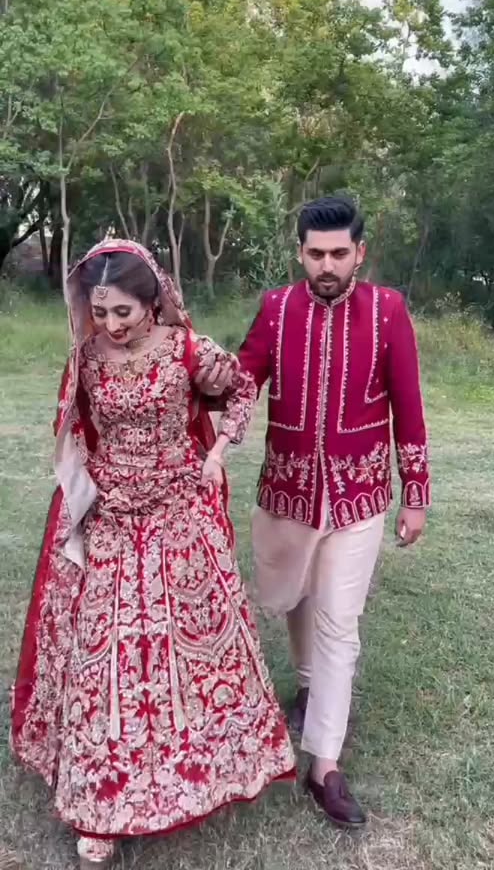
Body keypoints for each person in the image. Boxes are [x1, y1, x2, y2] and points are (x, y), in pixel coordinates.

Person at [11, 240, 295, 869]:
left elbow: (241, 389)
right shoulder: (86, 359)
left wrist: (217, 452)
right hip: (111, 520)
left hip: (179, 515)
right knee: (102, 655)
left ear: (152, 302)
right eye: (100, 312)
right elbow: (75, 429)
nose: (111, 325)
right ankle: (101, 803)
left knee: (192, 647)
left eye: (123, 312)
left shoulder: (185, 348)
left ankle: (203, 769)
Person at [200, 195, 430, 828]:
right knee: (292, 595)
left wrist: (415, 491)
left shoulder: (387, 311)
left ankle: (324, 763)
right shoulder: (278, 308)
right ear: (300, 251)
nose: (326, 265)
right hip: (288, 490)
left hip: (359, 496)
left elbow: (408, 404)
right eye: (315, 253)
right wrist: (192, 377)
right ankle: (305, 683)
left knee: (338, 621)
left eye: (338, 253)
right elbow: (243, 380)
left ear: (360, 252)